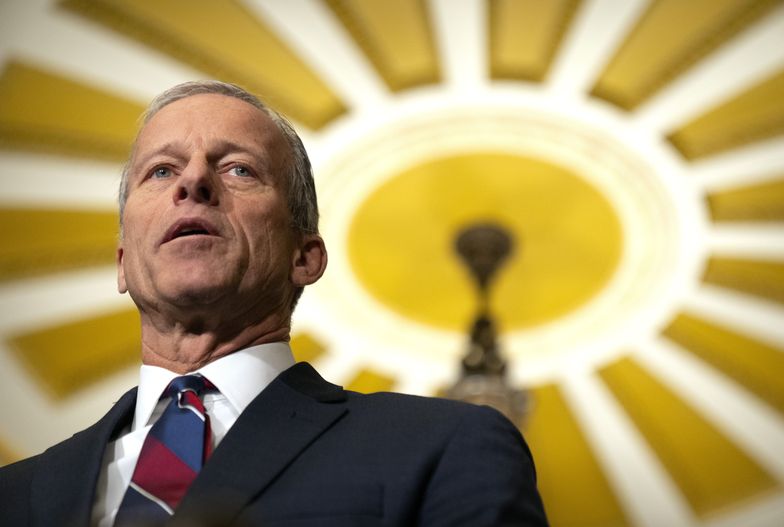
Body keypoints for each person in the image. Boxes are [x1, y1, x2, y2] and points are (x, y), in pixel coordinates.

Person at [0, 81, 547, 526]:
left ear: (304, 256)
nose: (193, 181)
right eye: (161, 170)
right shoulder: (16, 496)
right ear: (122, 262)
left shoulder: (442, 445)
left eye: (239, 168)